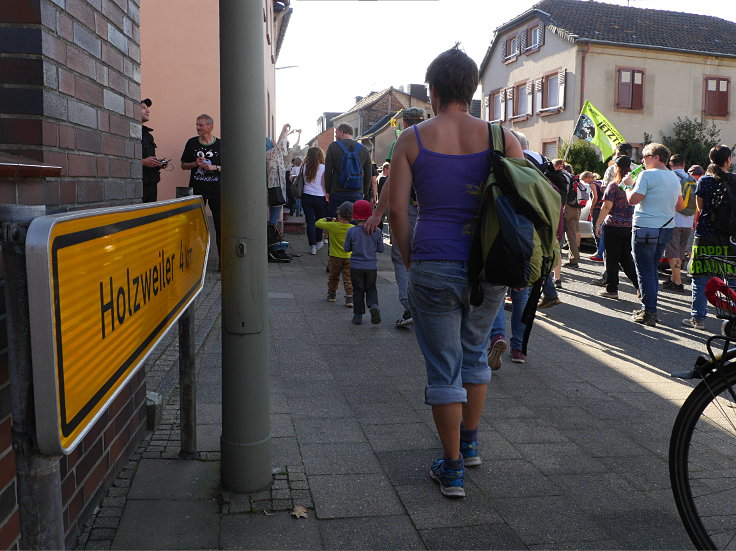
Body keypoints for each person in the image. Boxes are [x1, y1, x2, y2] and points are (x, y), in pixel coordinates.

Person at [389, 45, 516, 498]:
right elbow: (518, 208)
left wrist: (409, 258)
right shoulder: (503, 138)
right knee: (476, 355)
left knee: (443, 369)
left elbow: (398, 212)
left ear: (433, 91)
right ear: (472, 89)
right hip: (489, 265)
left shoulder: (413, 139)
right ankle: (471, 443)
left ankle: (453, 467)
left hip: (433, 261)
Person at [364, 108, 426, 328]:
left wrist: (378, 212)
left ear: (404, 122)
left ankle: (410, 307)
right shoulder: (436, 135)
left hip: (409, 208)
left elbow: (392, 180)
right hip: (434, 210)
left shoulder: (402, 140)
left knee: (401, 258)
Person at [624, 143, 683, 326]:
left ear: (656, 157)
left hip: (646, 226)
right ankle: (650, 308)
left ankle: (649, 311)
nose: (642, 160)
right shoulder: (674, 177)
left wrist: (627, 186)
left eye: (645, 156)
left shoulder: (646, 174)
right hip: (666, 227)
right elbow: (680, 206)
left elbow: (633, 200)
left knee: (645, 270)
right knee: (652, 268)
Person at [683, 146, 734, 329]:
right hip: (729, 237)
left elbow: (700, 208)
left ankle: (698, 318)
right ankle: (732, 318)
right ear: (728, 160)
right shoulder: (734, 180)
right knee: (731, 277)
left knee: (701, 276)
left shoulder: (704, 180)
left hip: (706, 235)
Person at [596, 156, 639, 299]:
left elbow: (607, 206)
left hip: (613, 225)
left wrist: (598, 224)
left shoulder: (614, 185)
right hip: (629, 225)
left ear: (616, 167)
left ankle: (612, 289)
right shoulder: (634, 184)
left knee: (612, 258)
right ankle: (640, 286)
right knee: (626, 258)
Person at [181, 114, 222, 262]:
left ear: (210, 126)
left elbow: (231, 167)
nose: (197, 127)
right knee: (194, 228)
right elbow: (183, 165)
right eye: (197, 125)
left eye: (201, 125)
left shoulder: (220, 144)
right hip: (197, 192)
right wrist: (195, 164)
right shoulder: (192, 143)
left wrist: (214, 167)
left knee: (220, 227)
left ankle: (223, 263)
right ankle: (194, 262)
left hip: (217, 192)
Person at [344, 200, 384, 325]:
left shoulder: (351, 231)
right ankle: (373, 305)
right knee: (371, 287)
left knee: (358, 290)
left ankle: (357, 315)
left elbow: (346, 249)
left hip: (356, 266)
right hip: (371, 266)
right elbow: (381, 249)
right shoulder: (376, 231)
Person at [662, 154, 696, 292]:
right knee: (680, 252)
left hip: (673, 219)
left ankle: (677, 281)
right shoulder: (692, 178)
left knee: (672, 252)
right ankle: (672, 279)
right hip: (688, 219)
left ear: (670, 164)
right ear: (684, 163)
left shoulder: (670, 177)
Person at [324, 124, 372, 217]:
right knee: (354, 220)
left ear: (342, 132)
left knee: (335, 221)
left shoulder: (333, 147)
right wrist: (365, 191)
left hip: (337, 190)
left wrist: (328, 190)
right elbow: (368, 172)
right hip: (357, 191)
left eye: (336, 133)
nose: (335, 136)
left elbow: (328, 171)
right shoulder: (363, 148)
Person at [316, 202, 354, 307]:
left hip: (334, 257)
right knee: (348, 277)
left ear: (339, 214)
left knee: (333, 276)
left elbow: (318, 223)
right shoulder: (352, 228)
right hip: (348, 257)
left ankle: (332, 294)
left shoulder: (333, 225)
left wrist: (326, 219)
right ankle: (350, 297)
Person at [267, 124, 302, 226]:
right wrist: (285, 130)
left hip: (277, 185)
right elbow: (281, 144)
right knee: (274, 215)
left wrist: (288, 133)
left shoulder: (274, 155)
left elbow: (280, 143)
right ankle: (273, 235)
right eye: (272, 140)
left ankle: (274, 234)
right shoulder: (271, 154)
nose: (274, 141)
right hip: (275, 187)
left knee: (277, 211)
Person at [300, 147, 327, 255]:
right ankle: (319, 241)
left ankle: (312, 246)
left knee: (310, 222)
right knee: (319, 221)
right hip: (320, 197)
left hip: (306, 197)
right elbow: (324, 184)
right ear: (320, 156)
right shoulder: (323, 167)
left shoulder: (303, 167)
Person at [141, 98, 163, 203]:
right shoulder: (126, 131)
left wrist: (158, 163)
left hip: (152, 185)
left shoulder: (148, 135)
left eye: (148, 108)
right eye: (143, 108)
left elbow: (149, 158)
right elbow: (118, 160)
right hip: (137, 186)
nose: (148, 111)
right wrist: (142, 162)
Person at [559, 159, 581, 268]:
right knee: (573, 233)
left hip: (567, 207)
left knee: (565, 234)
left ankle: (571, 260)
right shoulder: (575, 179)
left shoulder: (565, 179)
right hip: (576, 208)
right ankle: (575, 258)